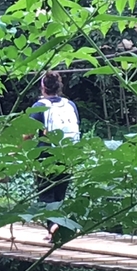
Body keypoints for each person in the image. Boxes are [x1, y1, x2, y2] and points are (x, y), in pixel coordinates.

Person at [28, 71, 80, 240]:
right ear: (59, 86)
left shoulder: (39, 106)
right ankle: (60, 227)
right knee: (59, 195)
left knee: (46, 195)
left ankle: (53, 227)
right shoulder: (70, 105)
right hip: (67, 155)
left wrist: (17, 149)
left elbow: (28, 133)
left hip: (46, 157)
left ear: (42, 87)